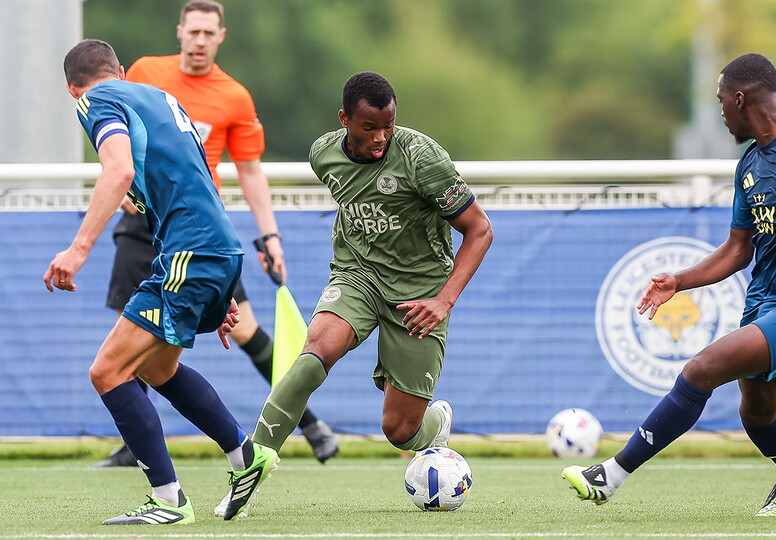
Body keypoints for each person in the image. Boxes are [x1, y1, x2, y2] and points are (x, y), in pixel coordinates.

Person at [562, 53, 776, 516]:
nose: (720, 112)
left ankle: (611, 476)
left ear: (741, 98)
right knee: (756, 412)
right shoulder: (750, 164)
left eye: (721, 101)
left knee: (702, 367)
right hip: (765, 304)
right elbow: (738, 250)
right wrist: (679, 280)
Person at [219, 71, 494, 520]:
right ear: (345, 119)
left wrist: (443, 300)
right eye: (370, 128)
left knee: (400, 431)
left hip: (420, 296)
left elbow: (479, 230)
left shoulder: (423, 158)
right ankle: (252, 466)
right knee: (315, 351)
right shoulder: (322, 155)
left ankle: (436, 422)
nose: (381, 137)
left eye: (389, 125)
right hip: (357, 277)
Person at [94, 0, 338, 468]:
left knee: (244, 329)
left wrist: (271, 237)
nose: (201, 40)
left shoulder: (234, 97)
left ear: (221, 36)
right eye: (194, 31)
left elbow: (250, 173)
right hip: (142, 224)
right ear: (180, 32)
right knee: (133, 326)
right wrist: (129, 186)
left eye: (210, 33)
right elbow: (119, 141)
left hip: (196, 230)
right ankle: (137, 445)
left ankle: (307, 424)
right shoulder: (145, 71)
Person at [50, 39, 277, 525]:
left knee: (107, 372)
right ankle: (245, 457)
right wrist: (215, 286)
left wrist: (78, 249)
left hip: (191, 252)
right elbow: (192, 176)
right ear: (123, 70)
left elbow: (119, 169)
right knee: (157, 369)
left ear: (73, 89)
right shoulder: (159, 97)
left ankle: (169, 501)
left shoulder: (96, 101)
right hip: (216, 246)